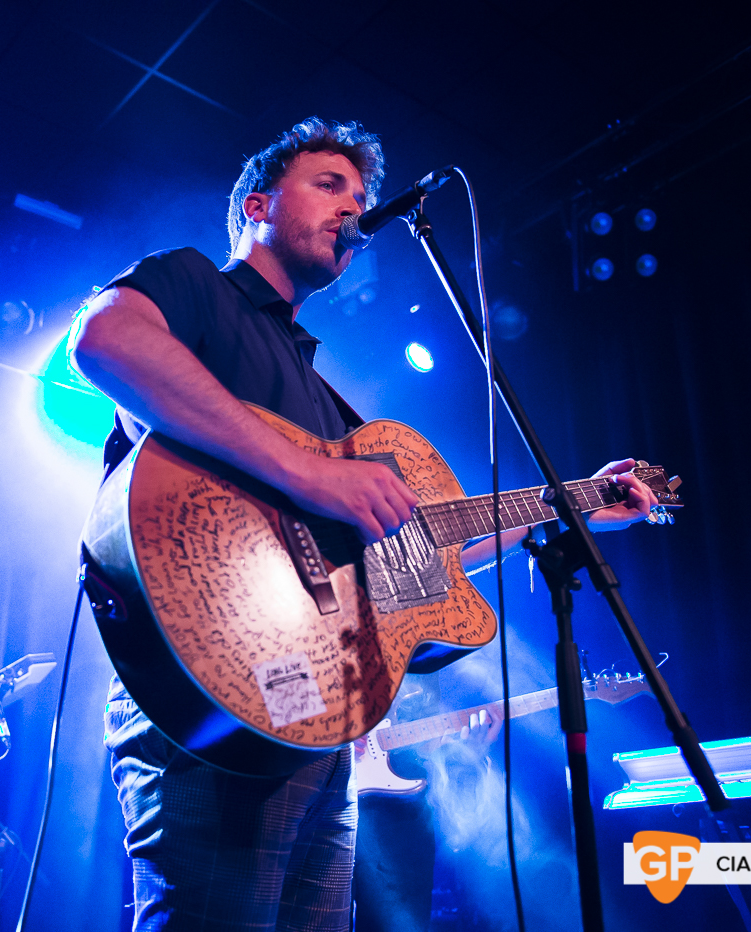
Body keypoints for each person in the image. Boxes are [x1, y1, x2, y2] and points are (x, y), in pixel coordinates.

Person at [71, 117, 660, 932]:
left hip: (321, 727)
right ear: (257, 204)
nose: (355, 208)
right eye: (330, 186)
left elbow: (419, 549)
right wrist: (310, 474)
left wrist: (573, 502)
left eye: (363, 196)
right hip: (210, 697)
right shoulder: (193, 284)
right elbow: (104, 340)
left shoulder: (322, 395)